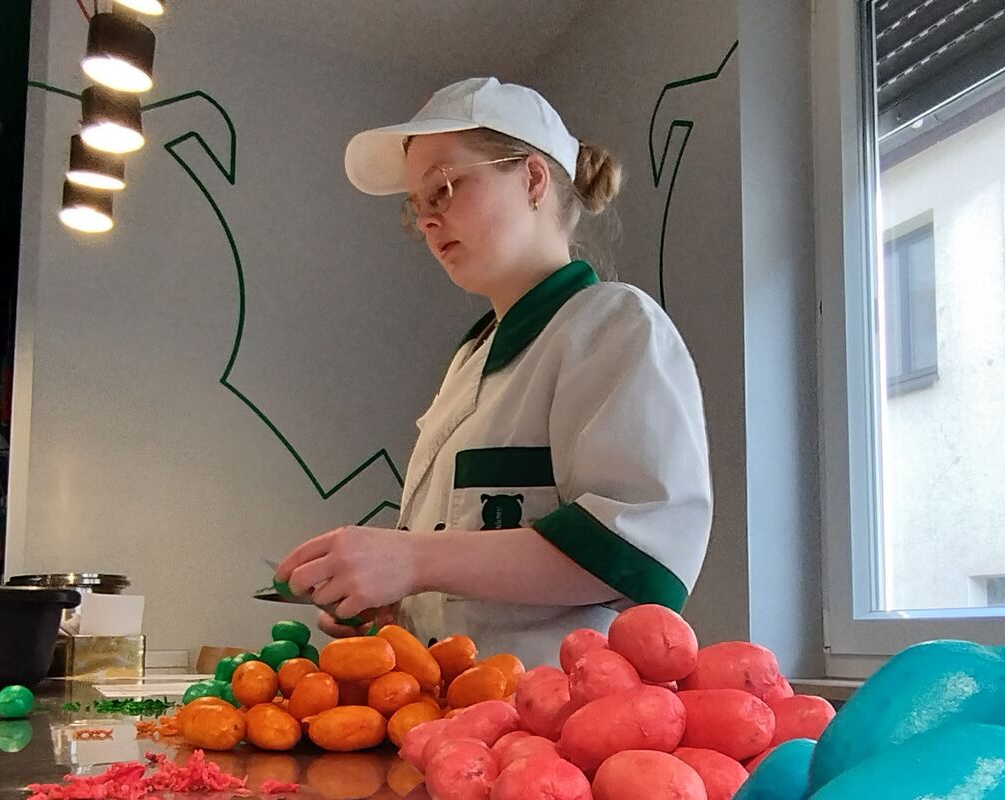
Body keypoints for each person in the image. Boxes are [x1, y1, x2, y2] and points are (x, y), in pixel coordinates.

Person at [276, 78, 713, 668]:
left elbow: (638, 553)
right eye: (417, 207)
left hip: (556, 727)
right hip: (452, 719)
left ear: (533, 179)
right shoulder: (470, 361)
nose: (428, 221)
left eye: (445, 188)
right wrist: (396, 601)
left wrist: (412, 561)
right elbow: (466, 569)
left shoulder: (613, 325)